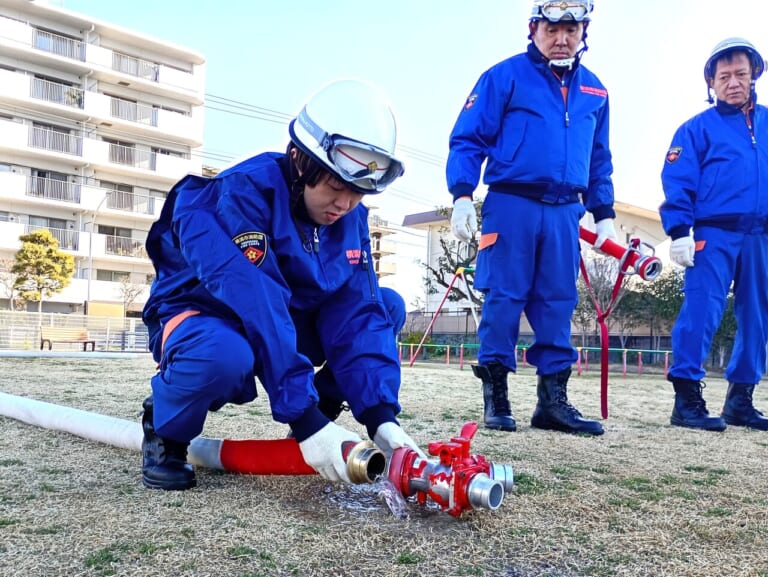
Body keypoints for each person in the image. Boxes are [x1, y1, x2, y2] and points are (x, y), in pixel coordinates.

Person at [140, 79, 423, 490]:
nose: (344, 204)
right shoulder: (241, 193)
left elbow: (357, 311)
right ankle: (166, 430)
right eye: (336, 186)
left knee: (385, 305)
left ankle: (323, 409)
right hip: (205, 314)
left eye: (358, 194)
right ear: (300, 161)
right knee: (223, 357)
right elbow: (256, 298)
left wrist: (382, 419)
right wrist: (303, 419)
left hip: (282, 314)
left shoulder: (350, 218)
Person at [446, 0, 616, 436]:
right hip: (511, 203)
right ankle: (497, 395)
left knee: (559, 301)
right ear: (533, 28)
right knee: (504, 297)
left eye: (571, 30)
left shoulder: (596, 91)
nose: (561, 39)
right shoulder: (503, 77)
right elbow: (467, 139)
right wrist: (462, 194)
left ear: (583, 33)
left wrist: (604, 213)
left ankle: (552, 403)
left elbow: (599, 158)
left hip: (565, 210)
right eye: (552, 29)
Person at [660, 37, 768, 432]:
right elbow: (678, 180)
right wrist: (679, 231)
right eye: (724, 77)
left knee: (758, 315)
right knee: (701, 311)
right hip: (713, 233)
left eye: (741, 74)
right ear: (712, 82)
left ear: (753, 75)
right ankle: (687, 399)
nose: (733, 82)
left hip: (761, 236)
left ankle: (741, 399)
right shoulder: (695, 129)